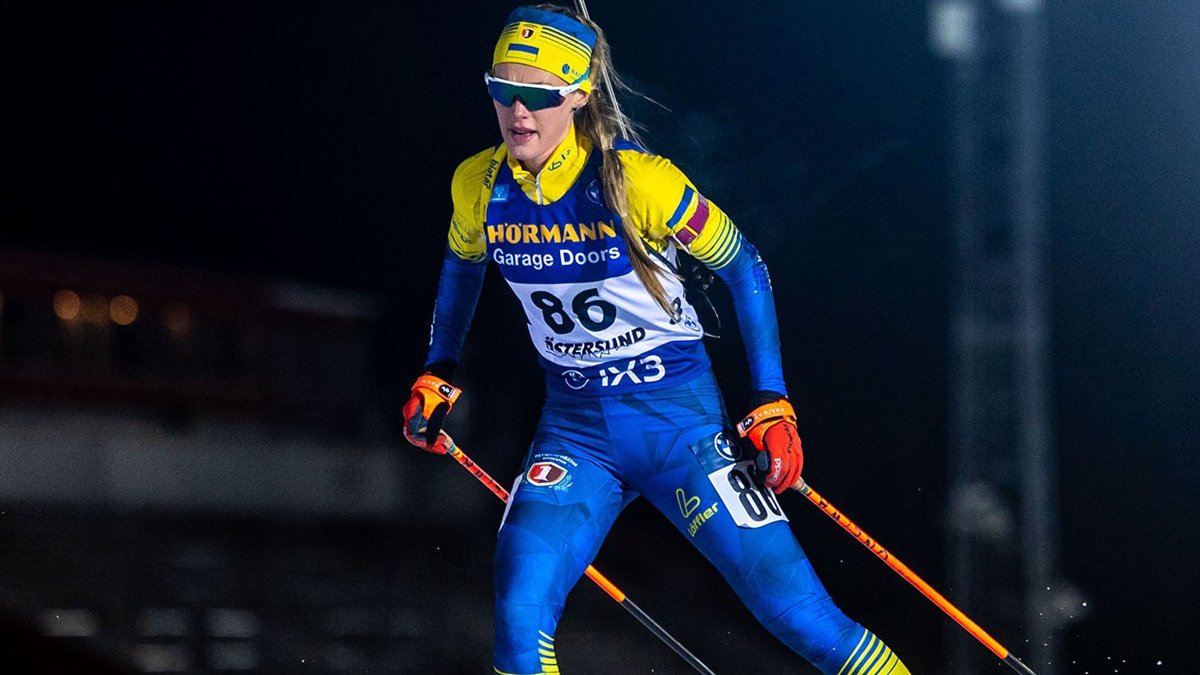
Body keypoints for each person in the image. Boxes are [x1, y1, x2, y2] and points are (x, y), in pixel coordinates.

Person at [403, 5, 913, 674]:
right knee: (519, 617)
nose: (518, 111)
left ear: (579, 95)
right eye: (504, 89)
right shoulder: (478, 183)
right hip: (576, 433)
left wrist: (771, 401)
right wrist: (439, 367)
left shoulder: (639, 179)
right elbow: (462, 265)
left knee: (805, 622)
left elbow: (744, 266)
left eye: (541, 95)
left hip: (681, 427)